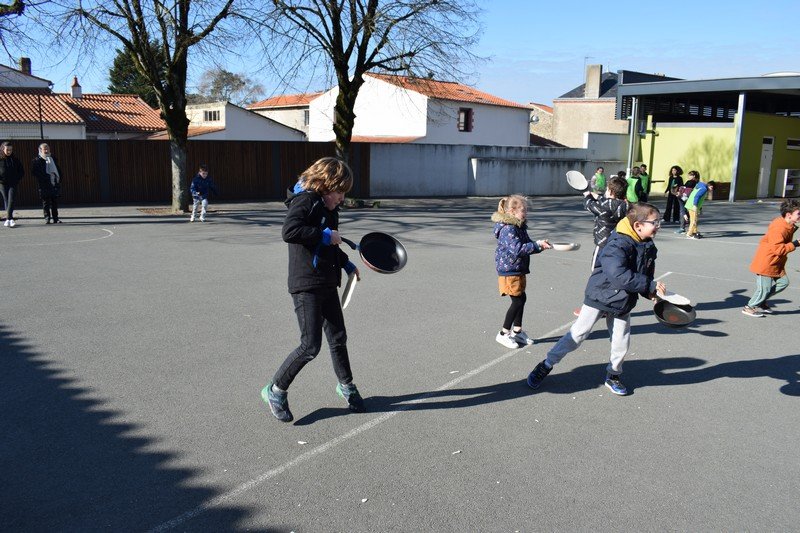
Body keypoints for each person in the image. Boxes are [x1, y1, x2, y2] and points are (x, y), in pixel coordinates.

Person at [527, 202, 666, 396]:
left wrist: (650, 292)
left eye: (659, 222)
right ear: (638, 225)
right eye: (654, 222)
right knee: (577, 335)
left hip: (623, 301)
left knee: (621, 342)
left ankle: (613, 375)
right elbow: (618, 275)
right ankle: (546, 364)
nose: (658, 226)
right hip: (600, 295)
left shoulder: (649, 246)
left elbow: (644, 275)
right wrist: (648, 285)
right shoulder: (618, 243)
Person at [262, 157, 363, 422]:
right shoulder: (305, 201)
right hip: (306, 284)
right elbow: (290, 231)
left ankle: (346, 386)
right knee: (310, 346)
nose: (342, 198)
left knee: (338, 337)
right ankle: (275, 390)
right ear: (325, 184)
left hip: (327, 281)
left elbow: (330, 244)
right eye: (339, 192)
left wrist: (346, 264)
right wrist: (324, 235)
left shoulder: (330, 209)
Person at [492, 194, 552, 348]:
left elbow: (527, 244)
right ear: (512, 211)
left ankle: (517, 331)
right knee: (517, 301)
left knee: (521, 298)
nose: (526, 213)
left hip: (518, 268)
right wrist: (537, 246)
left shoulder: (519, 226)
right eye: (523, 210)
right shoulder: (508, 228)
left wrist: (539, 244)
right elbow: (517, 249)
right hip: (509, 269)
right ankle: (503, 334)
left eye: (526, 210)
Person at [572, 176, 629, 316]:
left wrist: (586, 193)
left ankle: (590, 308)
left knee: (596, 275)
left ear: (611, 191)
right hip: (618, 246)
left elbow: (589, 205)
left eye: (607, 189)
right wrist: (594, 194)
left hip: (603, 245)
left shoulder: (604, 206)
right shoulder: (626, 205)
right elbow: (606, 200)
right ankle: (607, 306)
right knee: (610, 276)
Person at [742, 198, 800, 317]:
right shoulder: (779, 228)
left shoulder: (787, 224)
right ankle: (749, 307)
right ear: (789, 215)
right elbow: (778, 249)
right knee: (765, 289)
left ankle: (761, 301)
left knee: (783, 282)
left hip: (776, 262)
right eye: (798, 213)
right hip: (767, 262)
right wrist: (795, 244)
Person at [32, 143, 62, 224]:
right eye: (44, 149)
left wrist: (59, 178)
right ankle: (47, 218)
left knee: (54, 202)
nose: (46, 150)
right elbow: (34, 172)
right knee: (46, 202)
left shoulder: (53, 158)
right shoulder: (37, 160)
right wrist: (43, 178)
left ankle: (56, 218)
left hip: (54, 182)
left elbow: (57, 170)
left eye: (47, 149)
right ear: (40, 150)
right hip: (44, 184)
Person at [0, 141, 24, 227]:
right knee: (6, 200)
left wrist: (17, 179)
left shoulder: (15, 160)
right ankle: (10, 218)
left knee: (11, 200)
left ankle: (9, 219)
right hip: (2, 184)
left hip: (13, 183)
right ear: (3, 149)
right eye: (7, 150)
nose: (9, 151)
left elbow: (21, 171)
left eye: (10, 150)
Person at [684, 174, 715, 239]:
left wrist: (700, 208)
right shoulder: (704, 189)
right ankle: (689, 234)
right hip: (693, 205)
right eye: (711, 188)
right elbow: (697, 196)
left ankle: (694, 232)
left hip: (691, 205)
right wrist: (695, 205)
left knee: (695, 220)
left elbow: (699, 199)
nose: (711, 190)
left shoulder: (701, 186)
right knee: (693, 220)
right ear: (709, 185)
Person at [674, 170, 698, 235]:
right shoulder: (693, 182)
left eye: (690, 175)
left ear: (694, 176)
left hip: (689, 199)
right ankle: (686, 228)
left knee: (688, 213)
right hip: (687, 198)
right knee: (686, 213)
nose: (688, 176)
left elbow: (686, 190)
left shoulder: (692, 183)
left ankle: (687, 229)